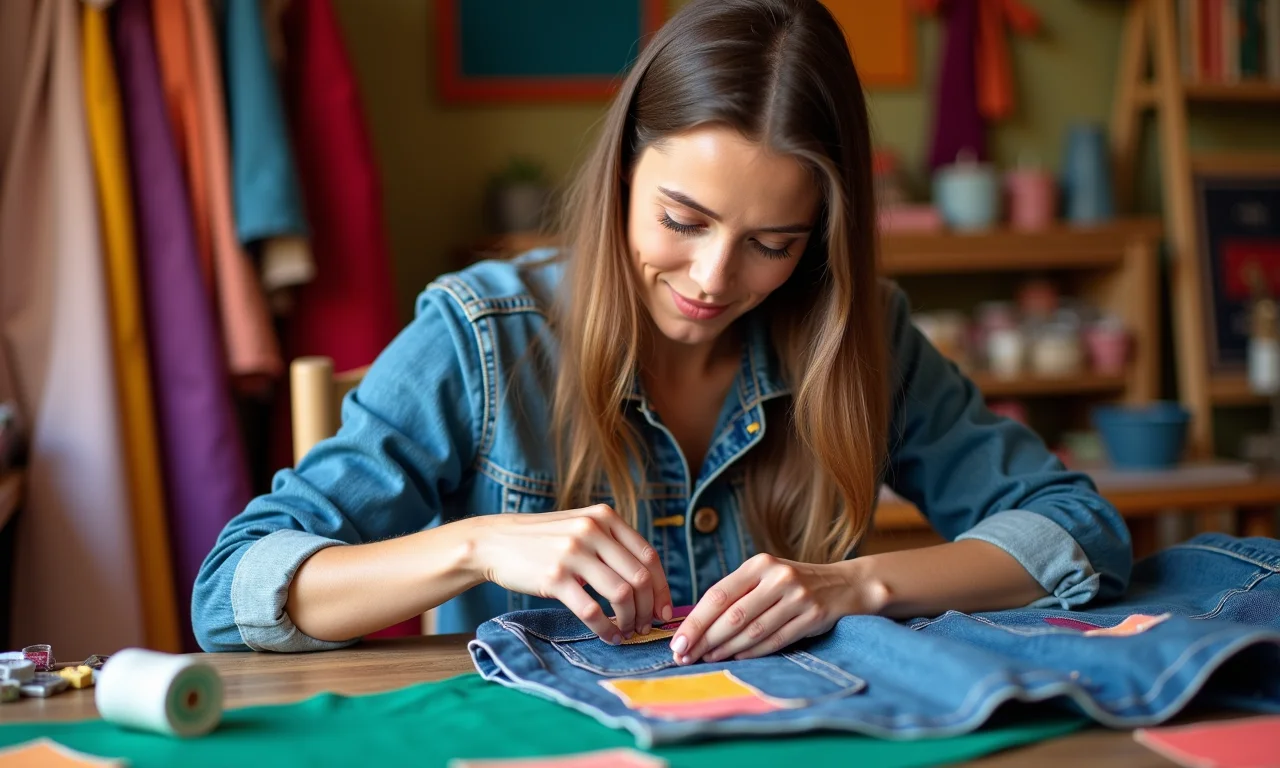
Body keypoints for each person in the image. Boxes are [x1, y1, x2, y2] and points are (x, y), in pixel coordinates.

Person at [193, 0, 1131, 662]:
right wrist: (474, 546)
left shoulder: (856, 335)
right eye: (683, 222)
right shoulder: (484, 332)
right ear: (622, 179)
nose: (715, 280)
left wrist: (860, 585)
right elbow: (233, 593)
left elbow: (1078, 530)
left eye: (773, 243)